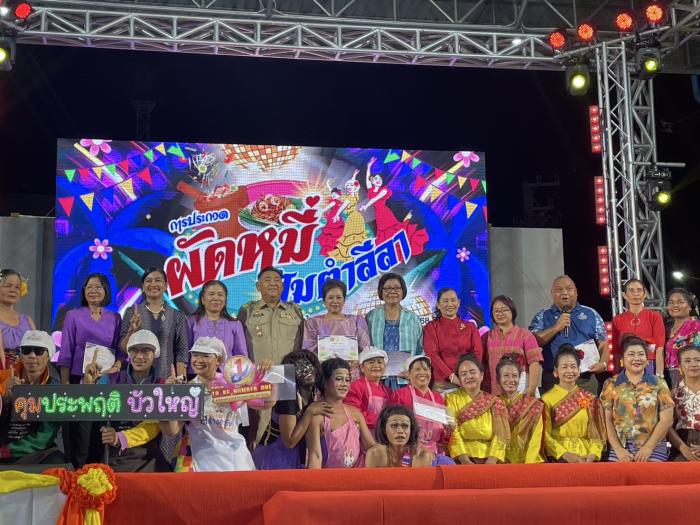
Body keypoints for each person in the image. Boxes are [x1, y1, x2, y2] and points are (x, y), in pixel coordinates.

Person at [160, 337, 268, 471]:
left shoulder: (234, 384)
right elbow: (171, 431)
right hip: (202, 461)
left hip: (235, 460)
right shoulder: (188, 389)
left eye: (206, 356)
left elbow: (266, 403)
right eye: (195, 355)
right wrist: (170, 394)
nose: (198, 360)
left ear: (219, 360)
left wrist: (266, 373)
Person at [58, 272, 123, 468]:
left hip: (104, 383)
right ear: (84, 291)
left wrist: (116, 367)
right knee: (79, 435)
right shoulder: (73, 315)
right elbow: (66, 352)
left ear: (106, 291)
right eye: (89, 287)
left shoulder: (115, 318)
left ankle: (97, 474)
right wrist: (65, 384)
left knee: (99, 433)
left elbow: (120, 351)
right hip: (78, 381)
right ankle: (76, 474)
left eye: (98, 287)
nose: (93, 290)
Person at [84, 329, 172, 472]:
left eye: (145, 351)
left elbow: (154, 426)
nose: (139, 356)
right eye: (134, 351)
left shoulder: (162, 385)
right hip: (113, 457)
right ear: (128, 354)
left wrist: (119, 438)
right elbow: (90, 407)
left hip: (149, 458)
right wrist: (89, 385)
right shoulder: (111, 379)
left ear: (155, 354)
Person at [238, 266, 303, 445]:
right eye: (267, 280)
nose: (273, 283)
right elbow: (238, 345)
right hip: (258, 375)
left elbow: (302, 345)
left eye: (276, 280)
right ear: (258, 286)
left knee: (288, 431)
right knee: (257, 430)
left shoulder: (295, 311)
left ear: (282, 286)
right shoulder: (247, 311)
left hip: (287, 375)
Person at [253, 350, 333, 469]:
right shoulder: (287, 395)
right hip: (274, 459)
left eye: (308, 366)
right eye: (300, 368)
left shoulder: (313, 392)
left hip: (294, 457)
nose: (306, 371)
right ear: (291, 374)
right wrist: (310, 412)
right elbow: (289, 442)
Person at [529, 275, 609, 395]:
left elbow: (603, 343)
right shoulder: (542, 316)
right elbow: (533, 342)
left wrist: (603, 363)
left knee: (588, 407)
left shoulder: (591, 314)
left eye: (569, 288)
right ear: (552, 293)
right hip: (554, 379)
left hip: (585, 379)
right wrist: (556, 327)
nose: (564, 293)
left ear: (576, 292)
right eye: (559, 289)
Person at [601, 334, 674, 462]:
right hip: (619, 447)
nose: (637, 358)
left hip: (653, 446)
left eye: (641, 354)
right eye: (631, 354)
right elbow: (606, 420)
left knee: (650, 472)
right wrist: (618, 449)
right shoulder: (611, 384)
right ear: (623, 359)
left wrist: (648, 447)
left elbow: (666, 420)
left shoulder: (659, 383)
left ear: (647, 359)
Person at [0, 331, 64, 464]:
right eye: (26, 350)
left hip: (34, 451)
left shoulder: (54, 389)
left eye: (39, 351)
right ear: (21, 355)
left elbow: (46, 435)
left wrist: (9, 450)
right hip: (2, 443)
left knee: (57, 461)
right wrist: (5, 400)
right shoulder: (3, 378)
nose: (32, 356)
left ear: (49, 356)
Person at [120, 267, 189, 380]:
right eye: (148, 281)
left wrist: (181, 379)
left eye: (158, 280)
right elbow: (123, 349)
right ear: (143, 286)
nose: (153, 284)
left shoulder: (177, 315)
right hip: (137, 380)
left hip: (167, 380)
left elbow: (181, 351)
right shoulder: (131, 312)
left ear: (165, 285)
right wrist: (131, 332)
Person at [306, 357, 375, 468]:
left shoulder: (355, 414)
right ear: (325, 382)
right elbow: (315, 456)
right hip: (328, 477)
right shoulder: (317, 416)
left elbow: (372, 448)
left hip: (357, 475)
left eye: (347, 380)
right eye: (339, 379)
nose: (344, 384)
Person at [541, 345, 606, 463]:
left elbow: (597, 433)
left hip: (587, 456)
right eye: (564, 367)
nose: (569, 371)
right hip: (558, 457)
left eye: (573, 367)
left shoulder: (590, 398)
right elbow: (544, 435)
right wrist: (564, 454)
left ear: (579, 371)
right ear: (556, 372)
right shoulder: (546, 400)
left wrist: (593, 454)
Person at [446, 354, 510, 464]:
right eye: (463, 374)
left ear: (481, 375)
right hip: (461, 459)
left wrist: (492, 459)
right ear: (459, 379)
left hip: (490, 459)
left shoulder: (495, 401)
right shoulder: (451, 398)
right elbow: (453, 432)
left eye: (472, 372)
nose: (469, 376)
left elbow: (500, 435)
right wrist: (465, 460)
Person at [359, 156, 428, 256]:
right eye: (376, 179)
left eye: (379, 178)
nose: (378, 180)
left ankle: (401, 241)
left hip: (385, 212)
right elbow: (367, 180)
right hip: (379, 213)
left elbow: (375, 198)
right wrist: (369, 166)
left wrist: (366, 206)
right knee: (385, 232)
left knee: (393, 229)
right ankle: (393, 245)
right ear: (372, 181)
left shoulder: (384, 190)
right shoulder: (371, 190)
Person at [365, 273, 423, 391]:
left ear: (403, 291)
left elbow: (420, 350)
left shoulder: (413, 318)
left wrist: (414, 372)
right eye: (387, 288)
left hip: (406, 380)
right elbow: (365, 347)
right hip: (377, 379)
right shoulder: (371, 317)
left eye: (397, 288)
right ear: (381, 292)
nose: (392, 291)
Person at [424, 287, 483, 389]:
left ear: (458, 303)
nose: (450, 304)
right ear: (438, 305)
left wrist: (470, 374)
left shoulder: (470, 327)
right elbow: (432, 355)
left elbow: (477, 353)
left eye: (453, 300)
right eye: (445, 301)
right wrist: (451, 377)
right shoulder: (431, 327)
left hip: (468, 380)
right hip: (442, 383)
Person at [483, 295, 542, 396]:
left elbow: (534, 362)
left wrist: (531, 388)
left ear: (512, 311)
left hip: (521, 390)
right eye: (496, 311)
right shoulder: (487, 336)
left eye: (504, 310)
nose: (500, 313)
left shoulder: (525, 335)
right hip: (495, 392)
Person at [390, 355, 447, 454]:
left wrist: (447, 431)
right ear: (408, 374)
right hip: (407, 451)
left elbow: (441, 432)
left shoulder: (438, 397)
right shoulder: (399, 395)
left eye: (426, 369)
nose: (422, 372)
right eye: (417, 369)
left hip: (434, 451)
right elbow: (392, 426)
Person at [365, 405, 454, 467]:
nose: (400, 431)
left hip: (441, 467)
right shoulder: (375, 454)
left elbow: (417, 487)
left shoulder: (421, 455)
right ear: (384, 430)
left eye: (405, 426)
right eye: (394, 425)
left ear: (411, 430)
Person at [496, 356, 544, 464]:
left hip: (528, 460)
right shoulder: (492, 404)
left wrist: (529, 465)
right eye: (506, 376)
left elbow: (536, 438)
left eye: (514, 376)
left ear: (519, 378)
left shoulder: (532, 405)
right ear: (498, 379)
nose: (511, 380)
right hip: (499, 461)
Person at [611, 279, 665, 375]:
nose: (636, 294)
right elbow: (616, 351)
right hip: (626, 365)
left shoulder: (655, 316)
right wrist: (616, 375)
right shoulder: (617, 320)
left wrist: (659, 375)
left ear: (644, 294)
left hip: (648, 364)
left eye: (639, 290)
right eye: (631, 290)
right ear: (624, 295)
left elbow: (659, 348)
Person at [303, 279, 370, 355]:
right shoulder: (313, 323)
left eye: (338, 297)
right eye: (330, 297)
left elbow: (365, 350)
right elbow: (308, 352)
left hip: (353, 363)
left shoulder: (356, 321)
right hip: (322, 363)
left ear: (344, 300)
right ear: (324, 300)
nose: (335, 301)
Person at [187, 279, 247, 358]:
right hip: (197, 366)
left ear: (225, 300)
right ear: (202, 299)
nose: (216, 298)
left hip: (227, 366)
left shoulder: (235, 325)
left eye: (220, 295)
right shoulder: (191, 322)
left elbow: (241, 357)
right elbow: (184, 353)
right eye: (211, 294)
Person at [345, 348, 392, 432]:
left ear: (385, 367)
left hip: (382, 433)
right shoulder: (356, 386)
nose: (376, 365)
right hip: (362, 433)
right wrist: (383, 420)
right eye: (371, 362)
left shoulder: (388, 391)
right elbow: (353, 412)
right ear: (362, 368)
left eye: (379, 362)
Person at [667, 345, 700, 461]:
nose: (693, 364)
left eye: (697, 360)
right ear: (680, 366)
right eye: (688, 361)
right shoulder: (673, 393)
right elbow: (668, 426)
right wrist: (683, 449)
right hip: (682, 445)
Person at [664, 288, 700, 389]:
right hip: (666, 377)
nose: (675, 305)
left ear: (690, 307)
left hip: (688, 375)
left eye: (680, 302)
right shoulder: (666, 328)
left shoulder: (696, 325)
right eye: (671, 302)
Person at [0, 269, 36, 370]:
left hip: (26, 374)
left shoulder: (27, 320)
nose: (13, 290)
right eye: (8, 286)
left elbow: (36, 351)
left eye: (17, 287)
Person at [328, 169, 367, 261]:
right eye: (348, 185)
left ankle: (354, 253)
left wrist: (354, 175)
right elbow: (335, 195)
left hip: (355, 217)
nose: (349, 187)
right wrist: (328, 185)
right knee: (350, 235)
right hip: (352, 217)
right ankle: (351, 253)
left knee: (353, 235)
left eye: (351, 185)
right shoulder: (347, 197)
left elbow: (343, 206)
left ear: (355, 187)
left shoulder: (353, 196)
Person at [318, 185, 346, 257]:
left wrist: (321, 211)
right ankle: (332, 249)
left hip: (335, 218)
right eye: (332, 194)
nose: (333, 195)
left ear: (339, 195)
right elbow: (327, 207)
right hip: (335, 218)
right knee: (334, 233)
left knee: (332, 233)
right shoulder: (338, 202)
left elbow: (327, 207)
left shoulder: (336, 202)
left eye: (335, 194)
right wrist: (328, 185)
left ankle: (331, 249)